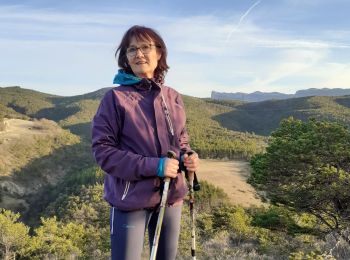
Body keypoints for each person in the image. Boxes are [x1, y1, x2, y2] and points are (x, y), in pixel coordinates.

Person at [91, 25, 199, 260]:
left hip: (171, 195)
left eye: (145, 47)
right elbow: (103, 152)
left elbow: (181, 138)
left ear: (159, 53)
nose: (139, 54)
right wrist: (155, 166)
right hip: (130, 198)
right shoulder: (115, 99)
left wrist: (187, 155)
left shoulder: (172, 96)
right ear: (126, 58)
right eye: (132, 50)